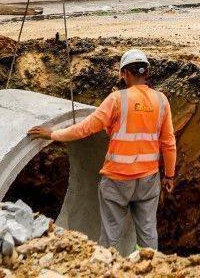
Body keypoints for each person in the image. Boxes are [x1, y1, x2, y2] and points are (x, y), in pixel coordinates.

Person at [27, 49, 176, 252]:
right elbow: (169, 142)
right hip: (148, 180)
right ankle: (151, 265)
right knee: (148, 233)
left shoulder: (117, 99)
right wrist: (169, 176)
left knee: (111, 236)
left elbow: (84, 129)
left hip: (117, 180)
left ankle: (107, 265)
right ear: (147, 72)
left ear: (124, 74)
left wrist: (53, 134)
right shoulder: (161, 101)